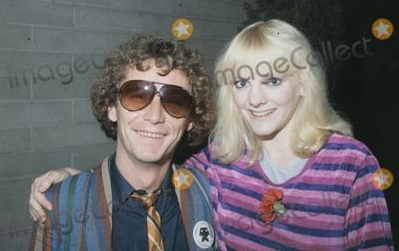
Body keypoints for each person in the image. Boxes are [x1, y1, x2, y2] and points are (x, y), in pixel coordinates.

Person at [30, 20, 393, 250]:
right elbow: (143, 168)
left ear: (303, 85)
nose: (255, 97)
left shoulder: (351, 165)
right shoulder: (223, 160)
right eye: (241, 81)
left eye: (272, 79)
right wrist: (72, 185)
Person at [29, 36, 217, 251]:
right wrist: (71, 189)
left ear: (190, 120)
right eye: (136, 95)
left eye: (175, 101)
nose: (154, 116)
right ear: (111, 108)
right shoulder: (60, 203)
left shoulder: (209, 195)